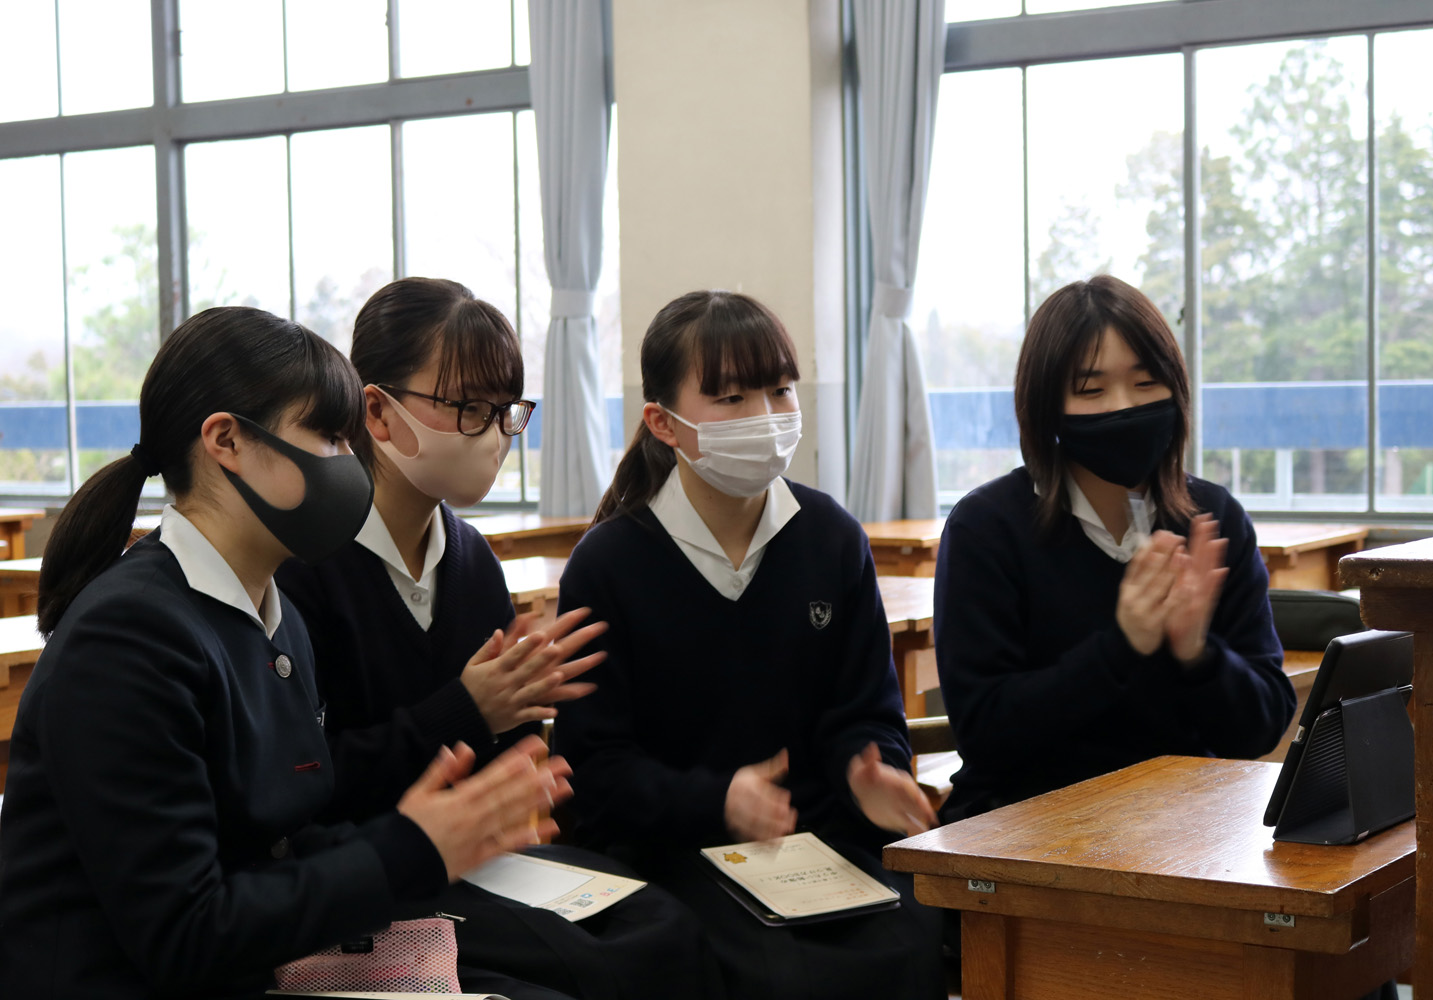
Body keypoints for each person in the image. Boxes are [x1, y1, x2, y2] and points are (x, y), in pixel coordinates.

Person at [0, 307, 568, 1000]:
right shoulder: (127, 639)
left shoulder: (274, 617)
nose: (351, 467)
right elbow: (186, 932)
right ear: (226, 440)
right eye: (329, 438)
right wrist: (409, 847)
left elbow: (277, 844)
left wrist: (437, 836)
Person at [275, 276, 725, 1000]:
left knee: (661, 924)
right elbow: (304, 786)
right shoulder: (307, 568)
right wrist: (466, 710)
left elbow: (492, 751)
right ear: (379, 412)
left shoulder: (470, 558)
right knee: (605, 966)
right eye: (467, 409)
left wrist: (524, 767)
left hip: (476, 861)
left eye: (504, 410)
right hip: (360, 871)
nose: (493, 435)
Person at [552, 290, 946, 1000]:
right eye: (731, 398)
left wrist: (874, 771)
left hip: (819, 853)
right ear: (662, 424)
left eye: (780, 390)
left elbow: (867, 711)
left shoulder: (831, 537)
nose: (765, 417)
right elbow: (595, 769)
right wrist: (718, 800)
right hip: (672, 855)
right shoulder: (609, 564)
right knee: (762, 971)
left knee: (912, 938)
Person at [934, 274, 1297, 823]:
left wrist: (1198, 654)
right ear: (1046, 404)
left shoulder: (1213, 518)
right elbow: (986, 733)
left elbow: (1262, 727)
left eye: (1146, 381)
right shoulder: (988, 527)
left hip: (1185, 827)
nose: (1123, 406)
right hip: (1026, 830)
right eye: (1091, 389)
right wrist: (1122, 646)